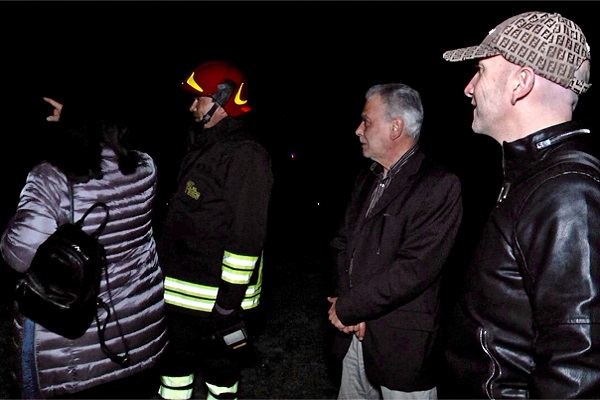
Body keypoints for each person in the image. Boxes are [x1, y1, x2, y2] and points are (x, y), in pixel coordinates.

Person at [441, 11, 600, 399]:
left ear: (521, 82)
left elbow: (578, 370)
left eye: (480, 70)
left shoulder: (566, 194)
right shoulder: (535, 178)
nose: (469, 87)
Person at [0, 97, 169, 398]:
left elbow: (19, 255)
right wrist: (82, 122)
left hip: (71, 345)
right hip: (139, 333)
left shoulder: (50, 178)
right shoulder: (145, 167)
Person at [327, 83, 463, 399]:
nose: (358, 130)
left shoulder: (439, 186)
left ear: (396, 127)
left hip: (402, 346)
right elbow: (342, 244)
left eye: (367, 121)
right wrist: (349, 308)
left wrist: (350, 306)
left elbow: (414, 270)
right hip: (354, 335)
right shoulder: (368, 177)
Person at [155, 60, 274, 400]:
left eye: (200, 98)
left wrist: (227, 306)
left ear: (223, 100)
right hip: (182, 300)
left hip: (215, 304)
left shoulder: (246, 157)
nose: (192, 106)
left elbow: (246, 238)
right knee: (174, 372)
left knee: (220, 378)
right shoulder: (205, 147)